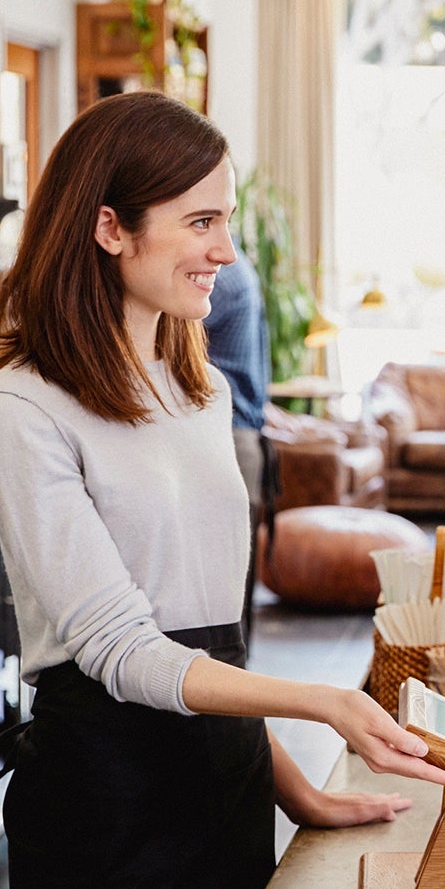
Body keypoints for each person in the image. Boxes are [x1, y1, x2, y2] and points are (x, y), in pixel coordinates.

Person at [0, 91, 445, 889]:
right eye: (200, 221)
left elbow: (212, 646)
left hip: (223, 796)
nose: (226, 251)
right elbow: (126, 652)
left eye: (225, 219)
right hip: (105, 811)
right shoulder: (21, 408)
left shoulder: (193, 383)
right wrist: (326, 701)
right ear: (109, 227)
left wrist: (288, 789)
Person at [202, 245, 270, 648]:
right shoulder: (238, 268)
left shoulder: (219, 278)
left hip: (228, 439)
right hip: (238, 436)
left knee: (221, 591)